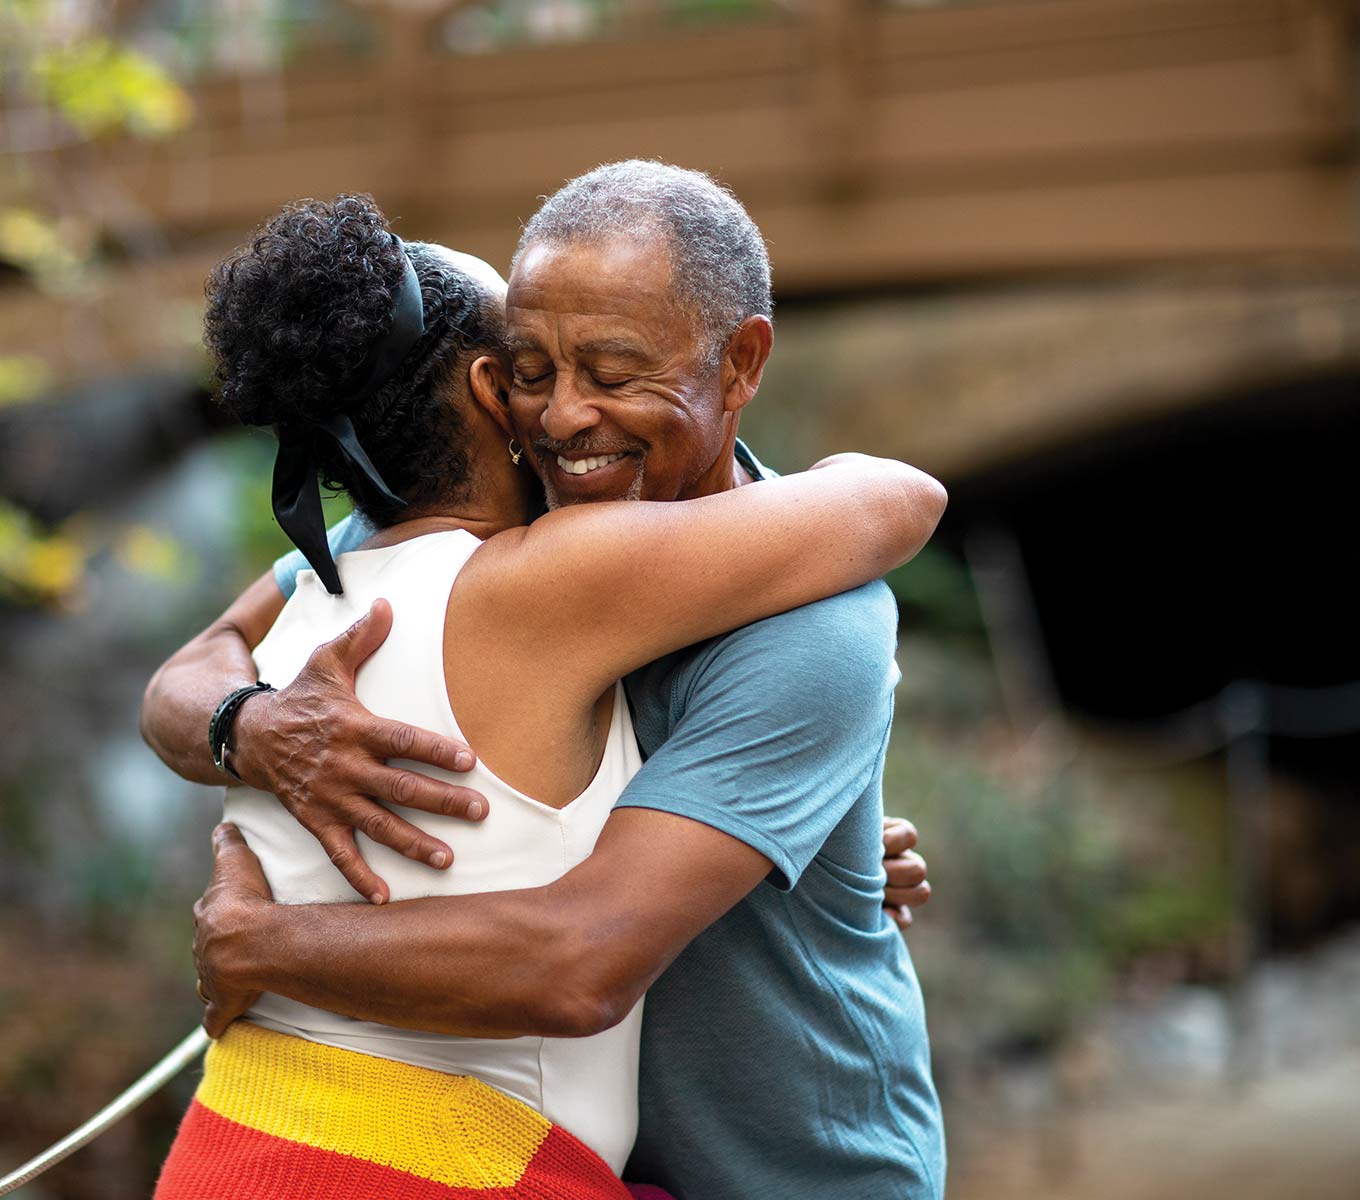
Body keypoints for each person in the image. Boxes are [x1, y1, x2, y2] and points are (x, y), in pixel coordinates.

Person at [150, 162, 948, 1199]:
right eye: (531, 369)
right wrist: (252, 727)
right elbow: (194, 664)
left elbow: (582, 958)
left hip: (789, 1174)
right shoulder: (497, 526)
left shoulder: (813, 621)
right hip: (564, 1162)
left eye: (613, 373)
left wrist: (266, 944)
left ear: (741, 362)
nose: (565, 417)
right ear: (492, 386)